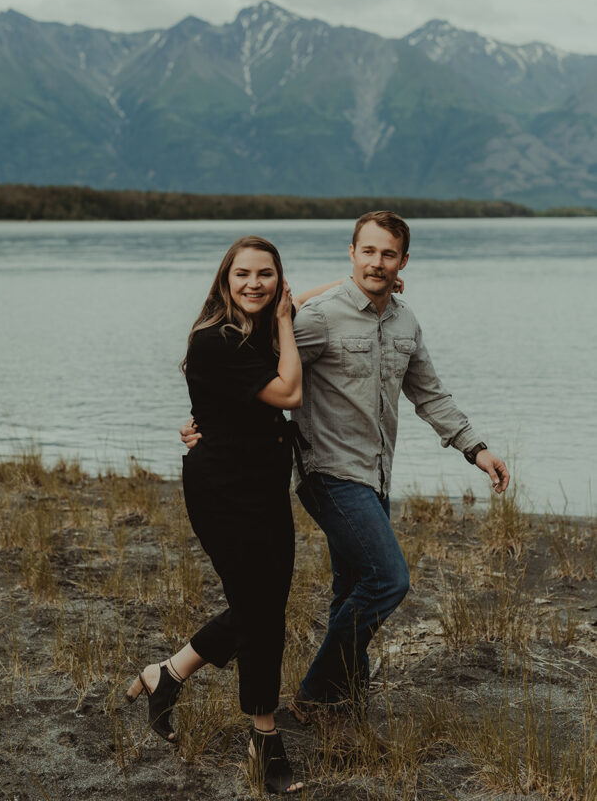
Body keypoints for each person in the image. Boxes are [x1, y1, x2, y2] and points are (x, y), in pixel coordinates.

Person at [183, 211, 510, 738]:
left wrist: (476, 448)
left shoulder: (405, 322)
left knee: (352, 586)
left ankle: (338, 708)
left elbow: (428, 393)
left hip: (375, 474)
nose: (377, 262)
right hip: (327, 472)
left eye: (388, 254)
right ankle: (315, 693)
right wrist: (203, 423)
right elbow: (246, 364)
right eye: (368, 251)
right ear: (352, 253)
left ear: (403, 261)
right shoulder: (320, 319)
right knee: (388, 580)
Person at [127, 235, 308, 794]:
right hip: (222, 493)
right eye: (243, 275)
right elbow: (289, 391)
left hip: (267, 490)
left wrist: (367, 285)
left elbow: (312, 296)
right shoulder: (214, 341)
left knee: (264, 602)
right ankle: (263, 736)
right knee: (260, 611)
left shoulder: (256, 324)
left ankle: (169, 673)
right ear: (224, 281)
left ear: (279, 281)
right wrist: (284, 322)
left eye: (267, 275)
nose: (254, 283)